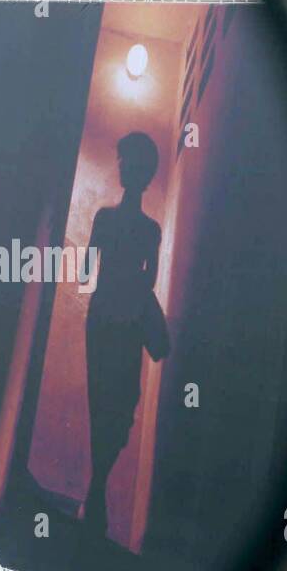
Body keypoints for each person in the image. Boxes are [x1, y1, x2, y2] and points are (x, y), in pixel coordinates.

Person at [83, 132, 169, 540]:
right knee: (107, 405)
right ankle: (95, 495)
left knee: (117, 406)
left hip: (116, 320)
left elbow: (90, 271)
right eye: (123, 160)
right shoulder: (118, 222)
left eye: (128, 162)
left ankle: (94, 491)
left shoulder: (141, 228)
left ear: (140, 172)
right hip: (110, 320)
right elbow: (96, 273)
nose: (123, 168)